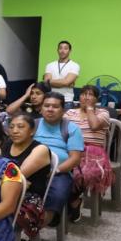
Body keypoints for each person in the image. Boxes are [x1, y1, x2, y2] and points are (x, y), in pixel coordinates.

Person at [2, 112, 52, 241]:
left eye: (20, 127)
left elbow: (18, 176)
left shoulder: (40, 149)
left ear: (32, 131)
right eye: (12, 127)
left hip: (29, 198)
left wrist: (2, 177)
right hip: (6, 188)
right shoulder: (7, 144)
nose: (15, 131)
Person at [64, 85, 112, 223]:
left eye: (90, 95)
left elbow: (94, 126)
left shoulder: (103, 113)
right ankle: (68, 201)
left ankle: (73, 201)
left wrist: (90, 109)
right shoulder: (70, 113)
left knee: (82, 173)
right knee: (58, 170)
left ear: (97, 99)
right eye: (83, 94)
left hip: (93, 153)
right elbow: (62, 130)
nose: (86, 97)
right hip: (71, 149)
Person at [34, 93, 84, 227]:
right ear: (41, 108)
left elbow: (75, 159)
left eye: (55, 106)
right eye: (46, 106)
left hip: (59, 172)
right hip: (32, 169)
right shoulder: (33, 125)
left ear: (63, 110)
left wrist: (55, 171)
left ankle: (43, 223)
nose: (50, 109)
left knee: (57, 193)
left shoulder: (71, 128)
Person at [43, 40, 80, 106]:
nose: (62, 51)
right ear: (57, 50)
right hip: (52, 99)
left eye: (65, 48)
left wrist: (51, 82)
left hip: (67, 101)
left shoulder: (74, 65)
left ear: (70, 51)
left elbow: (66, 82)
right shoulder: (50, 65)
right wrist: (65, 83)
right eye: (60, 48)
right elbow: (46, 83)